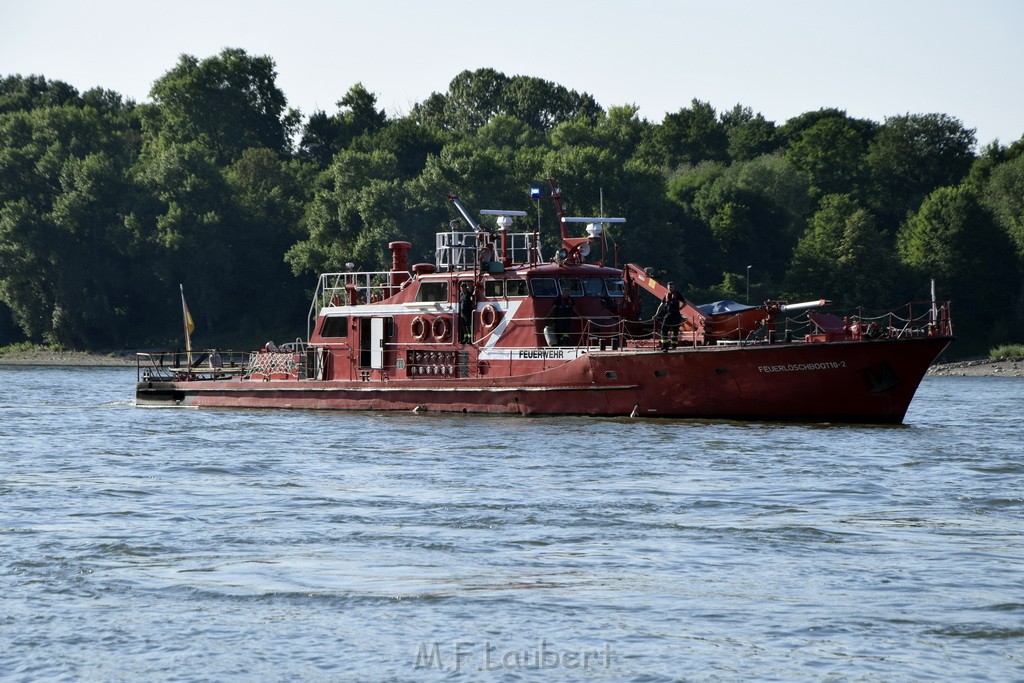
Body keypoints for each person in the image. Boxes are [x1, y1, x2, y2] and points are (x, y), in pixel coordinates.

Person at [655, 282, 684, 350]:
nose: (671, 288)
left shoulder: (678, 294)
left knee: (675, 331)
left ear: (673, 287)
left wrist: (681, 308)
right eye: (669, 287)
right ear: (667, 288)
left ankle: (674, 346)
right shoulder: (666, 296)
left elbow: (685, 302)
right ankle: (665, 346)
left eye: (672, 287)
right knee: (664, 329)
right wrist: (656, 314)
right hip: (668, 314)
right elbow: (661, 306)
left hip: (676, 315)